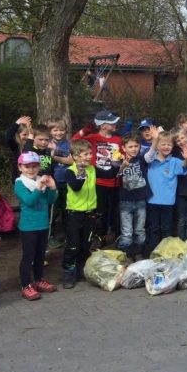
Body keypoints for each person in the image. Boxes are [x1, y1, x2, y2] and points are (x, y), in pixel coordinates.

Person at [73, 110, 123, 243]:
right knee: (101, 210)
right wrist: (85, 130)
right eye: (112, 123)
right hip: (99, 181)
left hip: (115, 181)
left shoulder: (117, 139)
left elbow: (123, 154)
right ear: (103, 125)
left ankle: (116, 234)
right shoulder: (93, 138)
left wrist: (121, 159)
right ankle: (99, 235)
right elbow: (75, 141)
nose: (115, 124)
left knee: (115, 210)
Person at [14, 151, 58, 301]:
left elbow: (51, 201)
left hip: (43, 224)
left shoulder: (41, 180)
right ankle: (26, 285)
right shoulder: (19, 184)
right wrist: (39, 188)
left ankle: (39, 279)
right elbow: (29, 201)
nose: (31, 169)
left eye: (34, 166)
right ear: (20, 167)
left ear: (39, 167)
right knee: (28, 257)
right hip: (28, 227)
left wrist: (52, 188)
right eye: (27, 166)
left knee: (40, 255)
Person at [145, 131, 187, 252]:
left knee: (166, 229)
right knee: (153, 228)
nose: (166, 147)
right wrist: (154, 139)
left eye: (169, 145)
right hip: (152, 201)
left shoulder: (174, 161)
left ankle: (165, 252)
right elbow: (148, 156)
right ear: (158, 145)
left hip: (168, 202)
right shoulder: (151, 160)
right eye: (163, 144)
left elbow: (184, 166)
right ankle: (153, 252)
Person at [62, 139, 97, 289]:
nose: (89, 157)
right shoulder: (70, 171)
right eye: (85, 154)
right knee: (73, 245)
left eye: (90, 153)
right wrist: (81, 172)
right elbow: (76, 187)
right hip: (74, 214)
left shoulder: (92, 169)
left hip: (90, 213)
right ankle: (68, 271)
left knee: (86, 244)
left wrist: (120, 166)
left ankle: (81, 268)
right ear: (75, 156)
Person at [118, 132, 151, 260]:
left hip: (141, 200)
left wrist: (154, 139)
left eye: (136, 146)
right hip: (125, 201)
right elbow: (117, 175)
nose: (134, 149)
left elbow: (152, 152)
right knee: (127, 232)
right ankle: (126, 256)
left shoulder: (142, 159)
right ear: (124, 147)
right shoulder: (119, 160)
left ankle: (138, 253)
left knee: (140, 230)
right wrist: (122, 167)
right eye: (130, 146)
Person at [48, 120, 73, 248]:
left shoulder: (69, 144)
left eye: (61, 130)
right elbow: (45, 159)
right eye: (55, 130)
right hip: (53, 182)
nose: (58, 133)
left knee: (66, 210)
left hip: (67, 181)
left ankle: (68, 235)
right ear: (50, 131)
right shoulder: (46, 143)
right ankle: (49, 236)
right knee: (53, 210)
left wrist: (55, 153)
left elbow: (71, 160)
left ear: (66, 131)